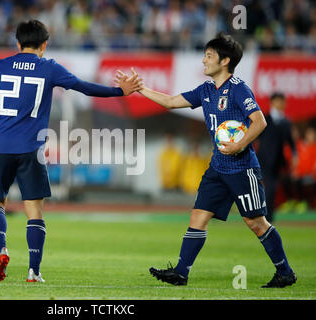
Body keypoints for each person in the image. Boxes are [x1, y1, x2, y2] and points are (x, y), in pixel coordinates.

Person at [0, 20, 142, 283]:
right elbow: (84, 87)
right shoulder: (49, 68)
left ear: (17, 43)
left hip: (0, 147)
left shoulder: (0, 66)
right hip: (31, 150)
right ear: (44, 45)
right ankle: (34, 271)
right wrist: (119, 91)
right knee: (33, 211)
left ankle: (1, 250)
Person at [118, 32, 297, 288]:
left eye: (209, 56)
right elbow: (170, 102)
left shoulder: (238, 89)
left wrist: (239, 144)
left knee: (256, 223)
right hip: (217, 167)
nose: (203, 60)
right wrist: (139, 88)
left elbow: (260, 121)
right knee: (197, 218)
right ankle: (181, 272)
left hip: (242, 168)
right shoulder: (205, 90)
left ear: (225, 61)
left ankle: (285, 272)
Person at [257, 92, 297, 222]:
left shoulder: (286, 122)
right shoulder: (264, 118)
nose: (281, 104)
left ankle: (267, 217)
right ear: (272, 102)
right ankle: (266, 217)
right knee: (268, 188)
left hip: (277, 162)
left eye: (282, 101)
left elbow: (291, 142)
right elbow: (255, 137)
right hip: (263, 159)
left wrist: (295, 155)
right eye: (279, 101)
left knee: (272, 189)